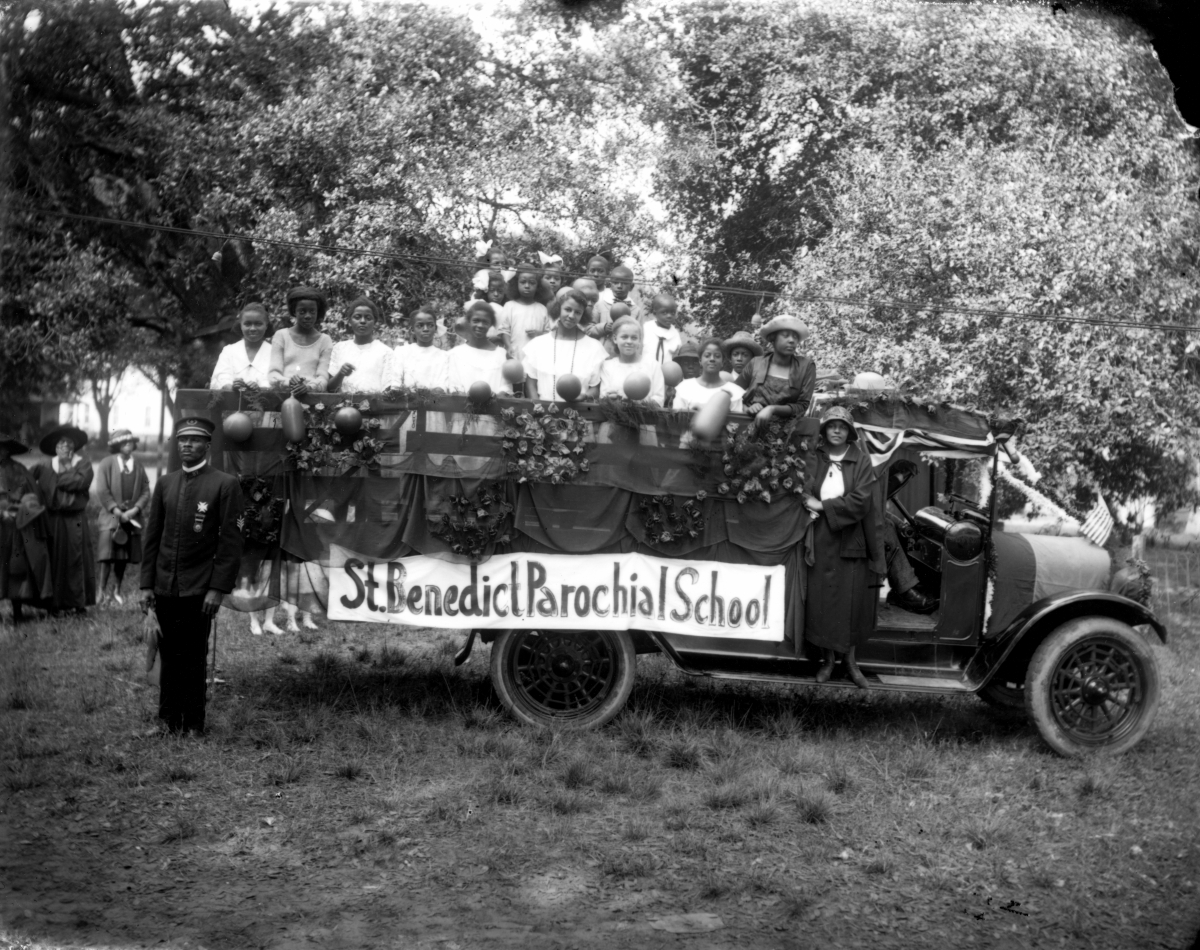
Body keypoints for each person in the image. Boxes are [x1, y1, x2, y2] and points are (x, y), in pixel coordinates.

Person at [140, 416, 244, 735]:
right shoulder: (166, 483)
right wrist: (146, 585)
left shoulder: (224, 484)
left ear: (207, 446)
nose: (187, 445)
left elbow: (231, 543)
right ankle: (167, 719)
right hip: (164, 586)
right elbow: (152, 538)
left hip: (200, 587)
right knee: (167, 652)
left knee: (194, 655)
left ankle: (193, 723)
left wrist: (218, 589)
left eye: (195, 440)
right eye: (183, 440)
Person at [801, 407, 884, 689]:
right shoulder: (815, 456)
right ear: (824, 430)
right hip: (820, 537)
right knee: (822, 601)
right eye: (832, 426)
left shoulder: (860, 461)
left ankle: (850, 662)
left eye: (842, 426)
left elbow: (862, 501)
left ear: (850, 432)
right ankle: (827, 661)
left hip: (851, 538)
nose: (837, 430)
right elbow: (803, 488)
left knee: (850, 604)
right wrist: (808, 501)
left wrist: (823, 505)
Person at [30, 424, 95, 614]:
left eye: (68, 443)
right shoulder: (45, 465)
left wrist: (56, 478)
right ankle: (54, 604)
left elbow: (80, 481)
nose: (64, 447)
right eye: (60, 444)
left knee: (76, 558)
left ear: (74, 446)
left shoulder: (83, 463)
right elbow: (27, 479)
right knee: (54, 557)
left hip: (74, 518)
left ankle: (78, 603)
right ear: (55, 448)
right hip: (52, 518)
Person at [95, 429, 151, 606]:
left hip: (131, 518)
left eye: (130, 443)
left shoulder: (139, 466)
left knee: (123, 556)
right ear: (117, 446)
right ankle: (101, 591)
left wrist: (134, 510)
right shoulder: (107, 464)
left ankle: (117, 589)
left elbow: (145, 491)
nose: (128, 446)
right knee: (107, 555)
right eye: (123, 443)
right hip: (111, 517)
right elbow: (102, 490)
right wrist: (116, 510)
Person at [523, 288, 608, 402]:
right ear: (558, 309)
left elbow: (595, 388)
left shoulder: (594, 347)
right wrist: (538, 408)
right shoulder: (538, 344)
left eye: (577, 312)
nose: (571, 316)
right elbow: (531, 384)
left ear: (583, 315)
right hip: (543, 414)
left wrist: (585, 396)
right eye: (568, 309)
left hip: (578, 413)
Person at [0, 433, 51, 622]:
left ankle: (17, 612)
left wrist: (21, 509)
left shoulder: (19, 470)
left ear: (8, 451)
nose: (0, 452)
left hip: (16, 525)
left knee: (16, 567)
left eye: (3, 448)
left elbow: (32, 495)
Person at [736, 315, 817, 424]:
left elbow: (802, 406)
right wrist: (747, 409)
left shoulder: (806, 366)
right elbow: (732, 394)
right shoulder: (756, 363)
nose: (792, 340)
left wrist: (771, 409)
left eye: (795, 337)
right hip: (749, 428)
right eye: (785, 336)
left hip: (786, 435)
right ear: (773, 338)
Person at [269, 287, 333, 394]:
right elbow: (273, 375)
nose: (308, 316)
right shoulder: (281, 336)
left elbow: (323, 378)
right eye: (302, 311)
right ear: (294, 311)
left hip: (313, 398)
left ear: (318, 312)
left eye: (312, 311)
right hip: (283, 397)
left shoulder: (325, 341)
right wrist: (289, 382)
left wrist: (308, 387)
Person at [448, 301, 513, 395]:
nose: (480, 325)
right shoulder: (454, 354)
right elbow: (454, 386)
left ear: (491, 324)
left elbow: (505, 387)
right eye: (476, 321)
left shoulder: (501, 355)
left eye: (485, 322)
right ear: (468, 322)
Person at [328, 297, 392, 393]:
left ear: (375, 322)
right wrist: (341, 374)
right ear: (350, 321)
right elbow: (329, 389)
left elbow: (387, 390)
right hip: (342, 405)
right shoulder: (340, 348)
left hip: (374, 405)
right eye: (357, 317)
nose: (362, 321)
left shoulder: (385, 352)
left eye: (368, 318)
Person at [599, 317, 665, 405]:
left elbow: (659, 399)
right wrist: (614, 399)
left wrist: (638, 402)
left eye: (634, 338)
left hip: (645, 416)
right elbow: (604, 397)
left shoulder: (653, 365)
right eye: (624, 337)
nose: (629, 341)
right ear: (615, 339)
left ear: (639, 340)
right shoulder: (607, 366)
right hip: (616, 415)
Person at [493, 263, 550, 360]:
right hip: (514, 354)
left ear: (538, 286)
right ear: (516, 284)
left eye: (532, 283)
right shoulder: (510, 306)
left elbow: (548, 334)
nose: (527, 286)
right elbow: (504, 330)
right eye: (523, 282)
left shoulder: (542, 309)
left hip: (535, 357)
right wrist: (508, 346)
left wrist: (538, 334)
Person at [209, 303, 273, 390]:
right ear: (241, 326)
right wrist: (232, 387)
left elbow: (277, 382)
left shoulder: (274, 351)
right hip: (232, 401)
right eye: (247, 324)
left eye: (258, 324)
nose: (253, 328)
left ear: (266, 325)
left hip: (264, 402)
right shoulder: (229, 351)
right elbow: (220, 378)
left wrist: (260, 389)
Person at [672, 338, 745, 411]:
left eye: (717, 356)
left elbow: (737, 421)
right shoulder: (685, 388)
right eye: (707, 355)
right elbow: (677, 419)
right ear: (700, 360)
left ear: (723, 361)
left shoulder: (734, 391)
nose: (712, 359)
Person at [388, 309, 451, 390]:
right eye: (420, 325)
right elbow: (395, 383)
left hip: (434, 400)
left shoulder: (444, 356)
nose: (425, 329)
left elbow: (442, 385)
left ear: (435, 328)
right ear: (412, 329)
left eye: (430, 325)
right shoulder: (402, 352)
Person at [642, 294, 683, 366]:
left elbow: (677, 356)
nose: (669, 316)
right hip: (646, 370)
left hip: (667, 374)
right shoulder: (645, 329)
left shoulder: (675, 335)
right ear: (655, 313)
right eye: (664, 312)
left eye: (672, 313)